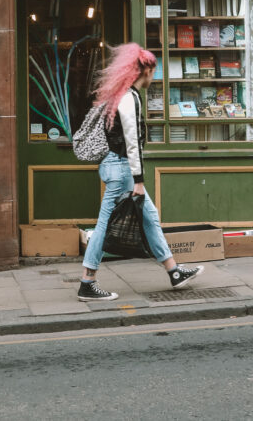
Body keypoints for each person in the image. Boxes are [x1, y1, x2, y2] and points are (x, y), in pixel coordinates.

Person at [77, 43, 203, 302]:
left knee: (150, 217)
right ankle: (87, 282)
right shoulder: (129, 98)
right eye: (152, 71)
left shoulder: (121, 96)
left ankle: (174, 270)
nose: (153, 76)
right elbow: (132, 142)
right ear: (143, 71)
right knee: (104, 224)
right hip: (122, 170)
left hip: (116, 165)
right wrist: (139, 181)